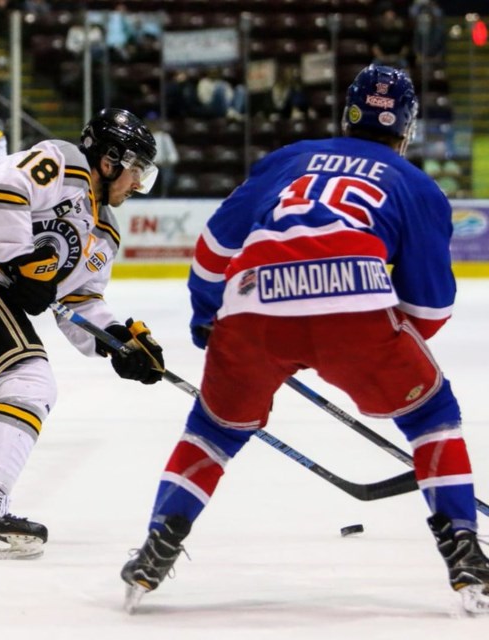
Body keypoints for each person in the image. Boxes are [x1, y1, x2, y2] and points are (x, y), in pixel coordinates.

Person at [120, 65, 489, 614]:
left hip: (252, 301)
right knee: (432, 414)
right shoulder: (417, 185)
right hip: (355, 302)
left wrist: (207, 315)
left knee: (214, 430)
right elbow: (430, 308)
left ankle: (156, 547)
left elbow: (216, 246)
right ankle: (464, 553)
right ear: (406, 128)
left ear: (348, 113)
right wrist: (367, 344)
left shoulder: (291, 158)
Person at [0, 108, 167, 558]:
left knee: (10, 389)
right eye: (136, 170)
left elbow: (79, 302)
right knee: (30, 381)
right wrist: (20, 258)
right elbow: (2, 188)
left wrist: (118, 343)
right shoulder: (61, 163)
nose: (137, 183)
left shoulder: (104, 231)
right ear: (109, 161)